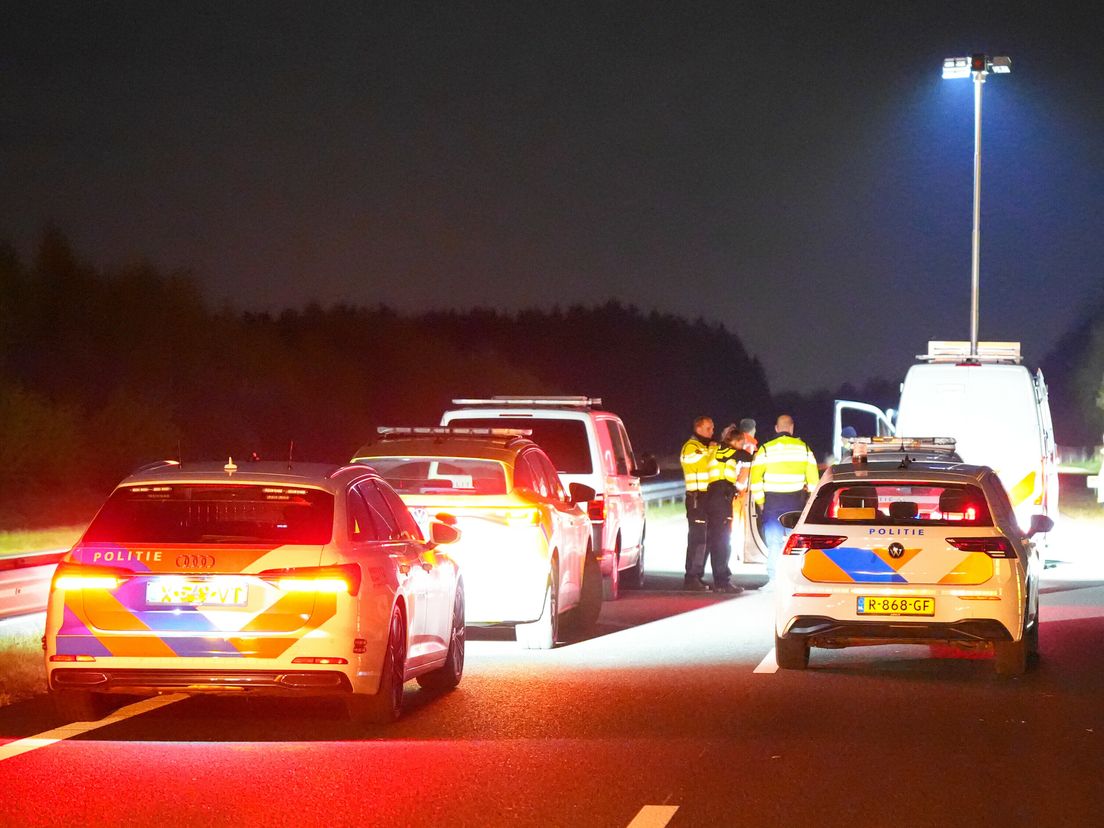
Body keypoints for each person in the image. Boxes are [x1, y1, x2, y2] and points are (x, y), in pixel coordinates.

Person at [749, 414, 819, 585]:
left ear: (776, 428)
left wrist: (761, 502)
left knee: (774, 542)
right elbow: (814, 482)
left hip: (772, 503)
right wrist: (809, 501)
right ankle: (794, 579)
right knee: (793, 543)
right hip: (795, 502)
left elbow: (755, 479)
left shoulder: (766, 449)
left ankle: (773, 579)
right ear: (792, 428)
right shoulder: (804, 449)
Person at [704, 425, 752, 594]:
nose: (742, 447)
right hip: (720, 497)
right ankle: (722, 581)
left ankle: (722, 578)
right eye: (742, 443)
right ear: (736, 441)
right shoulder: (725, 451)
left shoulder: (717, 449)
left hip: (716, 496)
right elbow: (746, 457)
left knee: (720, 539)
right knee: (722, 540)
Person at [680, 416, 716, 591]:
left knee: (706, 539)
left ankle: (697, 576)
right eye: (708, 428)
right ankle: (691, 577)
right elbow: (705, 463)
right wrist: (715, 450)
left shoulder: (704, 447)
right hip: (696, 499)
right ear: (698, 429)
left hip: (705, 499)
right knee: (697, 539)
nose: (712, 432)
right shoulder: (691, 447)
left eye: (712, 428)